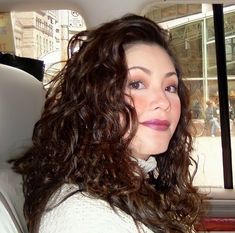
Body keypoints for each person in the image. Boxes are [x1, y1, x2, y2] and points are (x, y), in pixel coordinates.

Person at [12, 14, 205, 233]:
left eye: (170, 87)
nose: (163, 102)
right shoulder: (85, 216)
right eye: (137, 83)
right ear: (94, 99)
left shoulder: (142, 180)